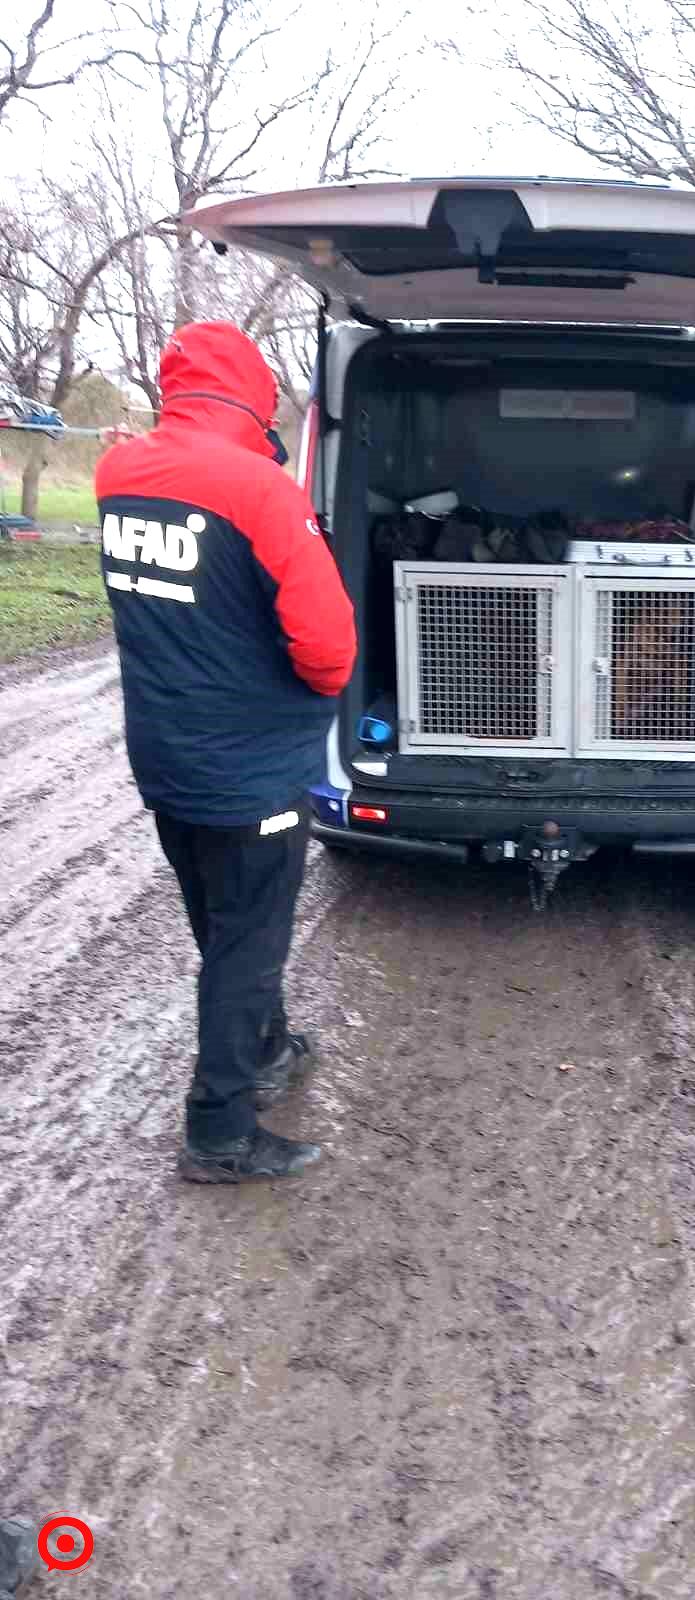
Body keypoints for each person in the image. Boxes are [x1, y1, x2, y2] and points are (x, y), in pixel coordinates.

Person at [96, 321, 357, 1181]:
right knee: (249, 941)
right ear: (251, 394)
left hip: (167, 758)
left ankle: (268, 1047)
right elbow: (329, 648)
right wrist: (316, 693)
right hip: (251, 771)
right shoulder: (260, 490)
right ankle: (219, 1132)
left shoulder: (115, 474)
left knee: (223, 924)